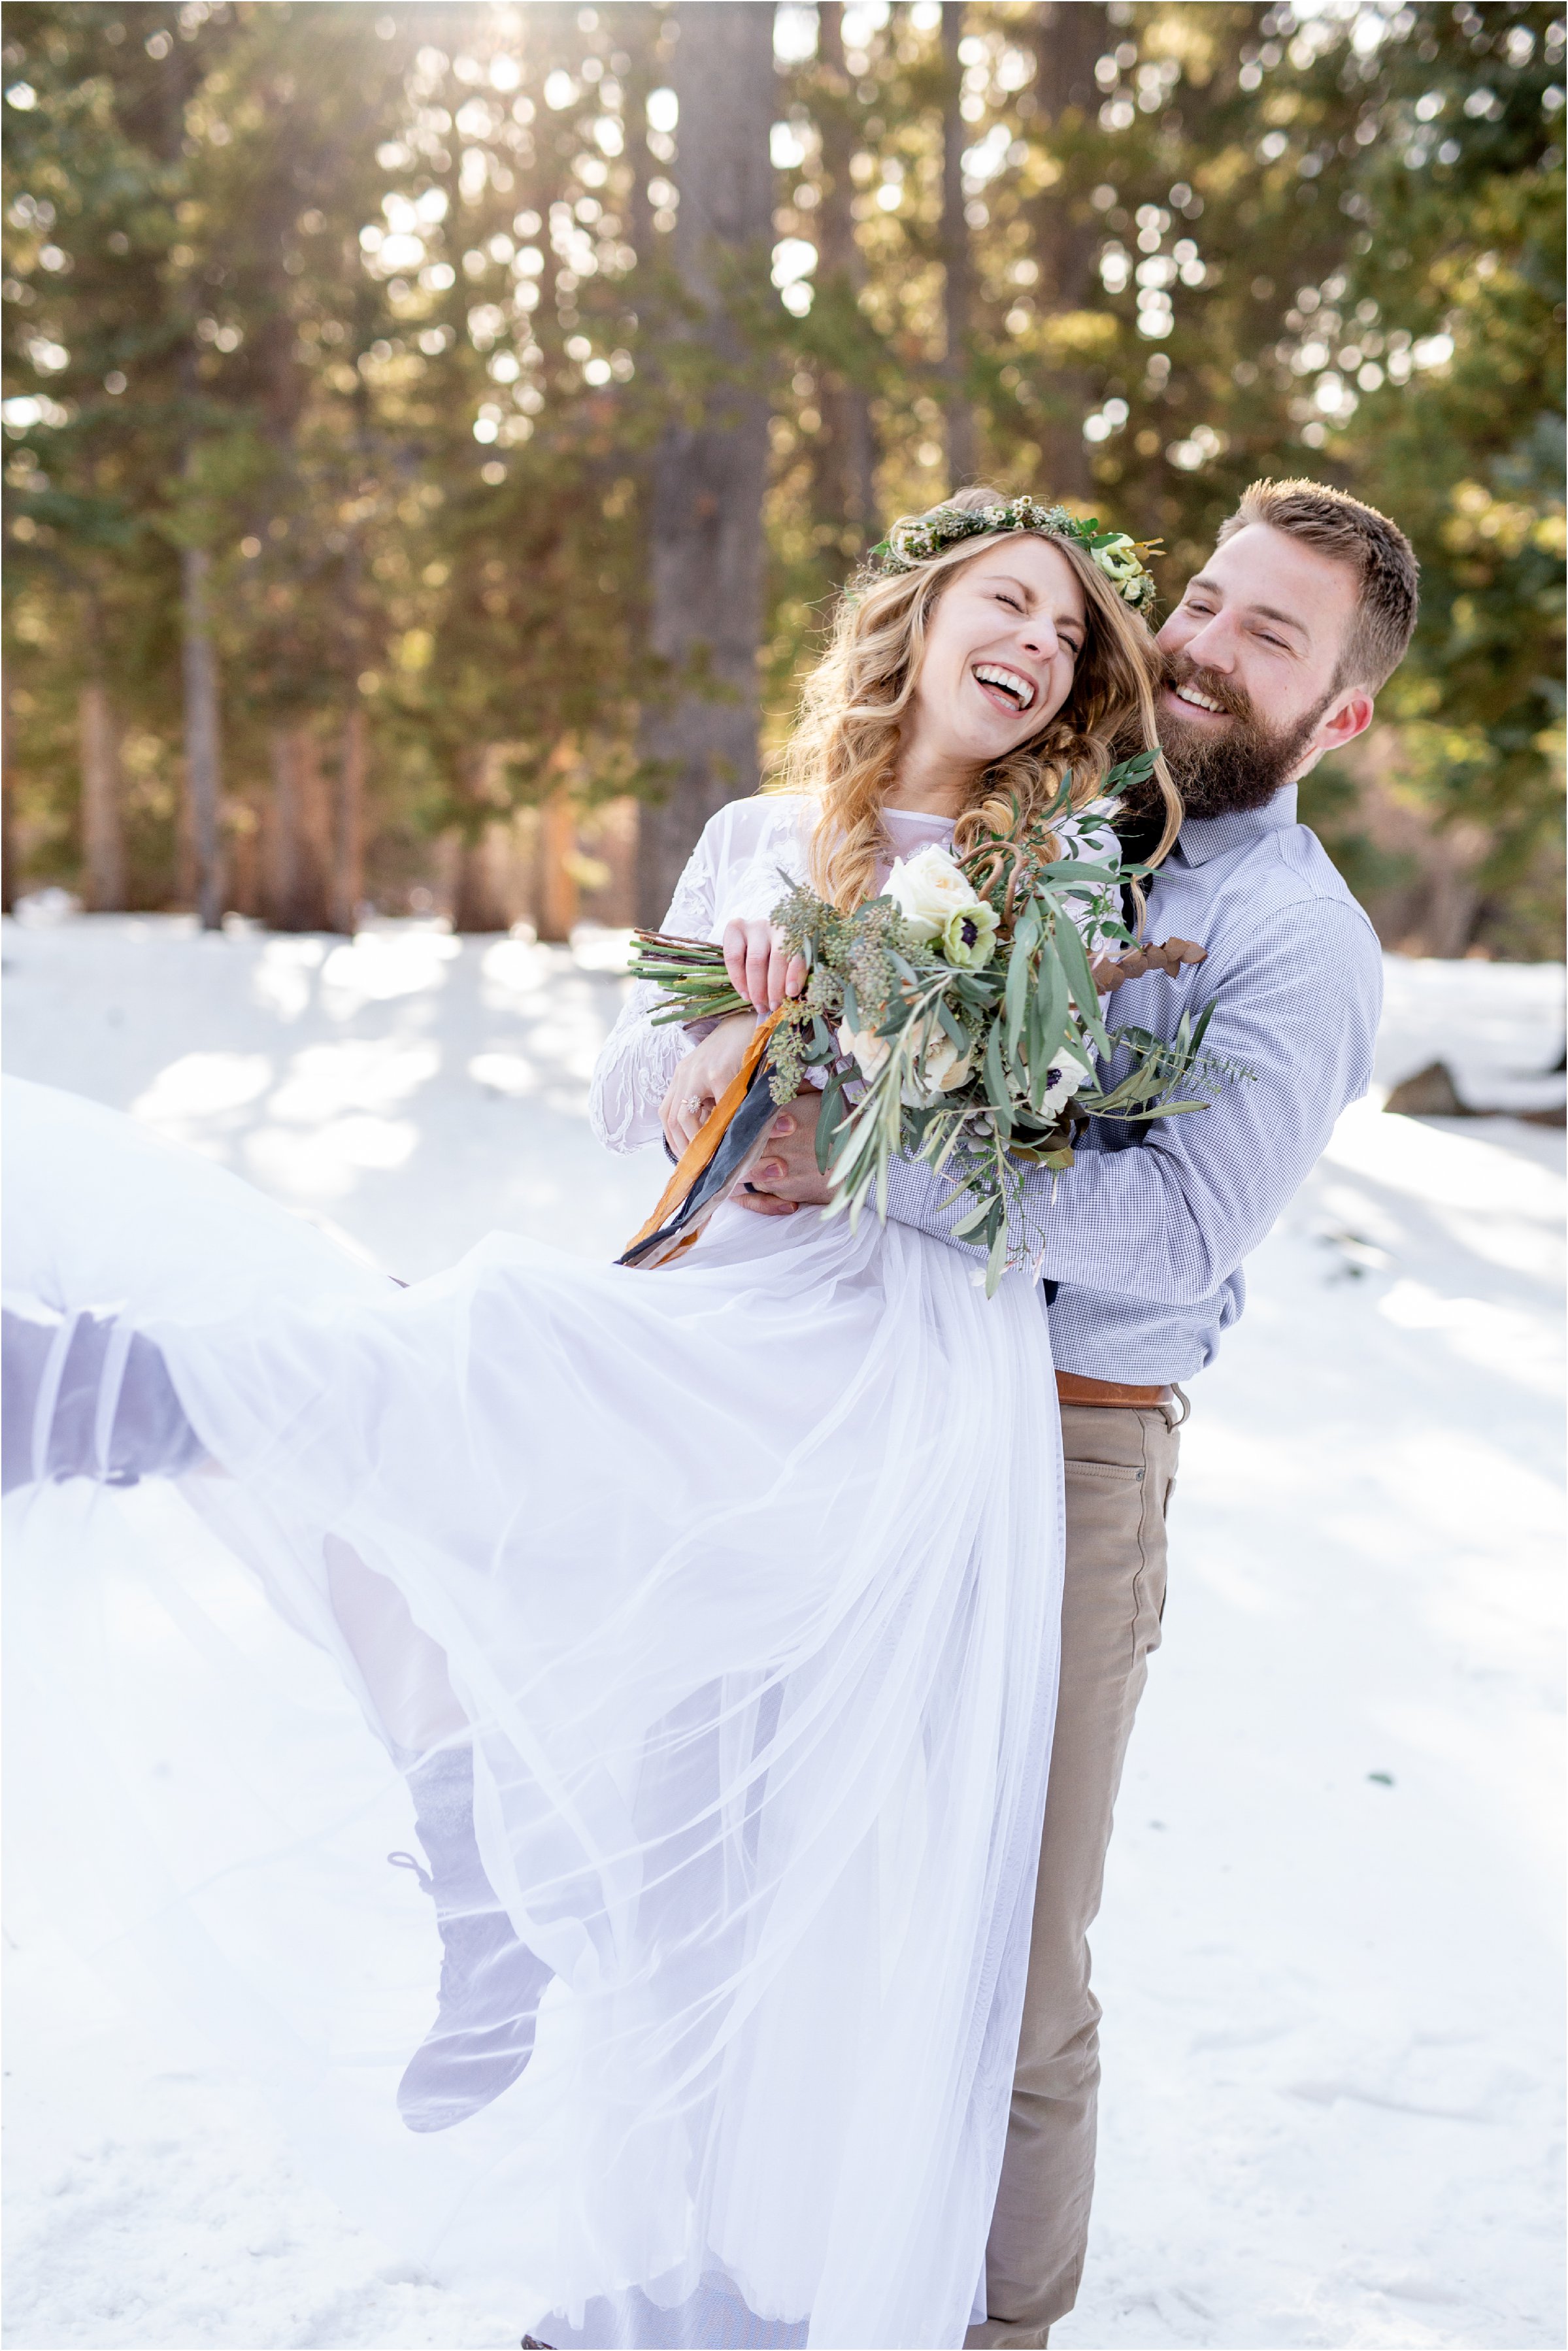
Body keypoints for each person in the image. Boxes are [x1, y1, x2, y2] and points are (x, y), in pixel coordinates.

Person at [5, 491, 1182, 2351]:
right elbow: (627, 1078)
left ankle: (116, 1394)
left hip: (889, 1358)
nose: (1036, 644)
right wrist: (720, 1068)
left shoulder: (1065, 884)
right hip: (719, 1294)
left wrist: (879, 1094)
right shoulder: (755, 834)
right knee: (666, 1807)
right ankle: (644, 2247)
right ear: (926, 609)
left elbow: (1042, 1131)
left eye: (1068, 638)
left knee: (519, 1377)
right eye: (1009, 602)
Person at [724, 477, 1420, 2347]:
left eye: (1273, 637)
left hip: (1074, 1441)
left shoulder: (1299, 945)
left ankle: (999, 2332)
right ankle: (759, 2270)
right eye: (1205, 599)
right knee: (804, 1876)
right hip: (869, 1411)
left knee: (1016, 1969)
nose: (1202, 646)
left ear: (1339, 715)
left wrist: (871, 1165)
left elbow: (1167, 1224)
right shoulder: (1034, 815)